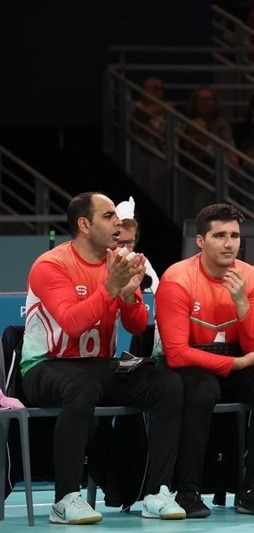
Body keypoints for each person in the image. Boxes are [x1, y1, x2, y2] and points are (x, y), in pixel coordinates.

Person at [19, 191, 186, 524]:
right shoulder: (51, 265)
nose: (118, 223)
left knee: (167, 384)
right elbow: (72, 323)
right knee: (81, 386)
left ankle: (157, 493)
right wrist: (110, 287)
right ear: (84, 224)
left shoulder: (118, 261)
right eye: (109, 216)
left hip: (97, 367)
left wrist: (129, 296)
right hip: (45, 367)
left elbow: (136, 325)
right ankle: (65, 499)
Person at [154, 203, 254, 518]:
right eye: (219, 236)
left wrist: (242, 304)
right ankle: (188, 491)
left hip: (236, 355)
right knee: (202, 391)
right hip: (191, 362)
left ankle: (252, 489)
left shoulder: (252, 279)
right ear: (200, 241)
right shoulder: (177, 279)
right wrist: (235, 365)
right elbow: (176, 353)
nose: (229, 244)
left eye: (234, 236)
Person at [115, 196, 160, 293]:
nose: (125, 249)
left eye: (129, 243)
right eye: (120, 243)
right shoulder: (98, 264)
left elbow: (153, 298)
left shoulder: (143, 264)